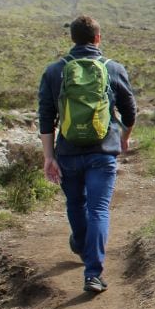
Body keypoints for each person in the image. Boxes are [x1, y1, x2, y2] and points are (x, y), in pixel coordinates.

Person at [38, 15, 137, 294]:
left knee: (75, 204)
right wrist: (124, 139)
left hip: (67, 152)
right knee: (98, 209)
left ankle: (81, 244)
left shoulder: (54, 71)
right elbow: (130, 113)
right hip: (103, 153)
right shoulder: (113, 69)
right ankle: (93, 273)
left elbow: (46, 118)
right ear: (98, 38)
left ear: (72, 38)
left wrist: (49, 157)